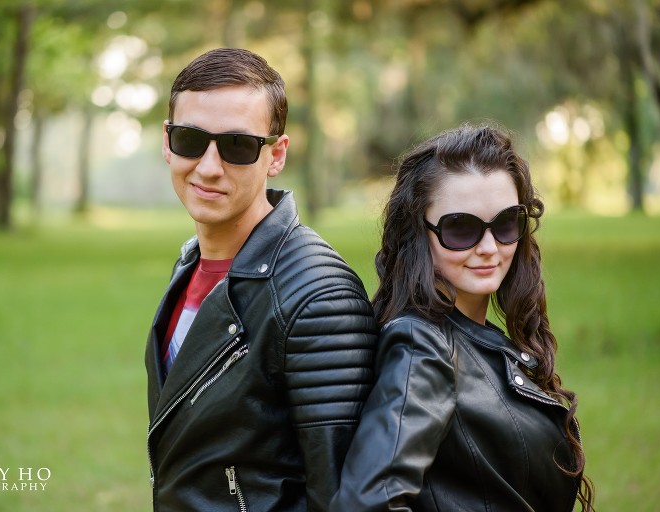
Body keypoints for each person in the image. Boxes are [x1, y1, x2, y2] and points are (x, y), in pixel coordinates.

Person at [144, 47, 378, 511]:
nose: (208, 167)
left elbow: (342, 495)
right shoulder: (190, 262)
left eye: (237, 145)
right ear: (167, 142)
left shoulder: (320, 296)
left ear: (276, 155)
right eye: (190, 139)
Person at [330, 124, 595, 511]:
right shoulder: (422, 348)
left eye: (506, 223)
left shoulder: (472, 336)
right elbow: (368, 502)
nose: (489, 247)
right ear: (417, 233)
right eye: (460, 228)